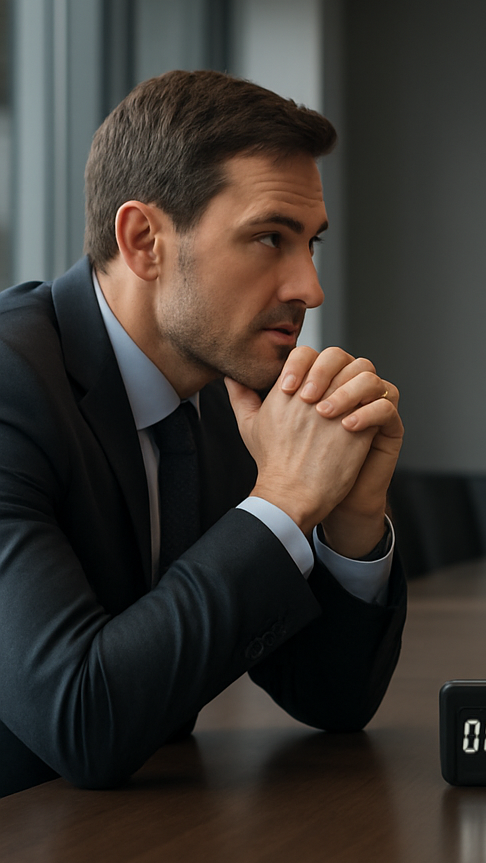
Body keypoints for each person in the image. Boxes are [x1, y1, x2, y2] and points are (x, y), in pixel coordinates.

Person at [0, 70, 406, 799]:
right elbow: (80, 720)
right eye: (269, 238)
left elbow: (332, 699)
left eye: (310, 243)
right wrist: (282, 501)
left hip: (136, 842)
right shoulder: (11, 388)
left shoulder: (226, 396)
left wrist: (350, 520)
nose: (310, 288)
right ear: (144, 241)